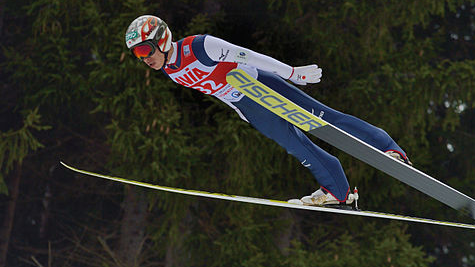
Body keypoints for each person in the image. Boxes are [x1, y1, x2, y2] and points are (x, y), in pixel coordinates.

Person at [125, 15, 411, 206]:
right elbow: (213, 89)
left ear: (162, 39)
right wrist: (240, 111)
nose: (144, 59)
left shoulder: (200, 46)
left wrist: (292, 74)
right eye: (138, 54)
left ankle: (388, 148)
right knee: (293, 144)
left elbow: (249, 56)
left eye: (145, 50)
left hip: (259, 83)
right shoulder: (170, 71)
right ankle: (338, 191)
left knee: (323, 120)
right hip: (245, 103)